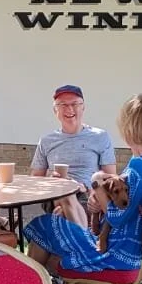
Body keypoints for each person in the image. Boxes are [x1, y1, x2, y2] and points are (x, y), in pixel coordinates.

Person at [23, 94, 142, 284]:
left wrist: (100, 198)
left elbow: (118, 218)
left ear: (127, 127)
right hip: (138, 250)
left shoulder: (139, 166)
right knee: (51, 243)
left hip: (121, 253)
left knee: (43, 226)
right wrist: (100, 195)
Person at [31, 83, 116, 222]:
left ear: (83, 107)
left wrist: (96, 194)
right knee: (62, 192)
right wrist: (49, 180)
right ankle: (76, 234)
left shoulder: (100, 136)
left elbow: (111, 177)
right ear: (55, 110)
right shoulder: (47, 141)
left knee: (61, 212)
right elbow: (35, 179)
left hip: (86, 195)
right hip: (54, 195)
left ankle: (62, 223)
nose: (69, 109)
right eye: (63, 104)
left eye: (75, 104)